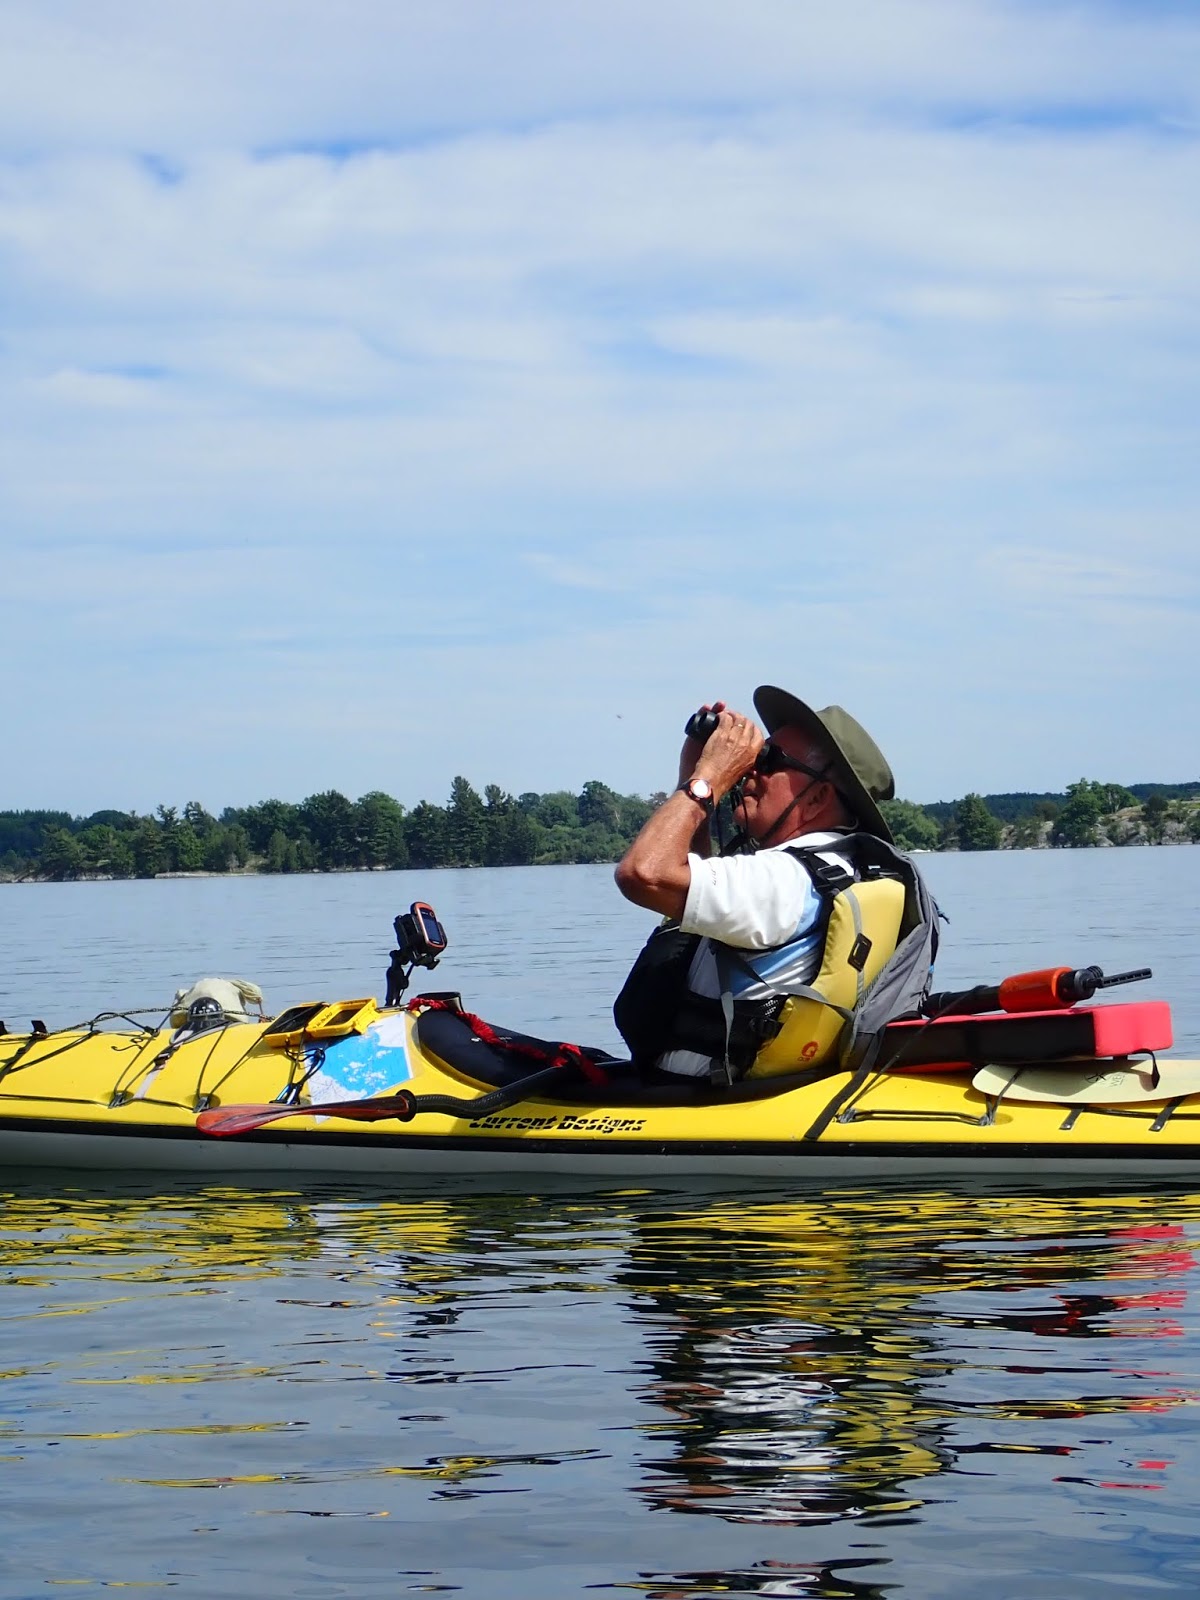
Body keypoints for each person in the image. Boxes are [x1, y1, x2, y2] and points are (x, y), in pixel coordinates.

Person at [613, 686, 901, 1080]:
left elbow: (643, 874)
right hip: (736, 1094)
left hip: (693, 1105)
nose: (749, 769)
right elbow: (689, 883)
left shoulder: (782, 881)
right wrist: (692, 771)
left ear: (817, 799)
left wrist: (707, 779)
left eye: (770, 760)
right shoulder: (832, 868)